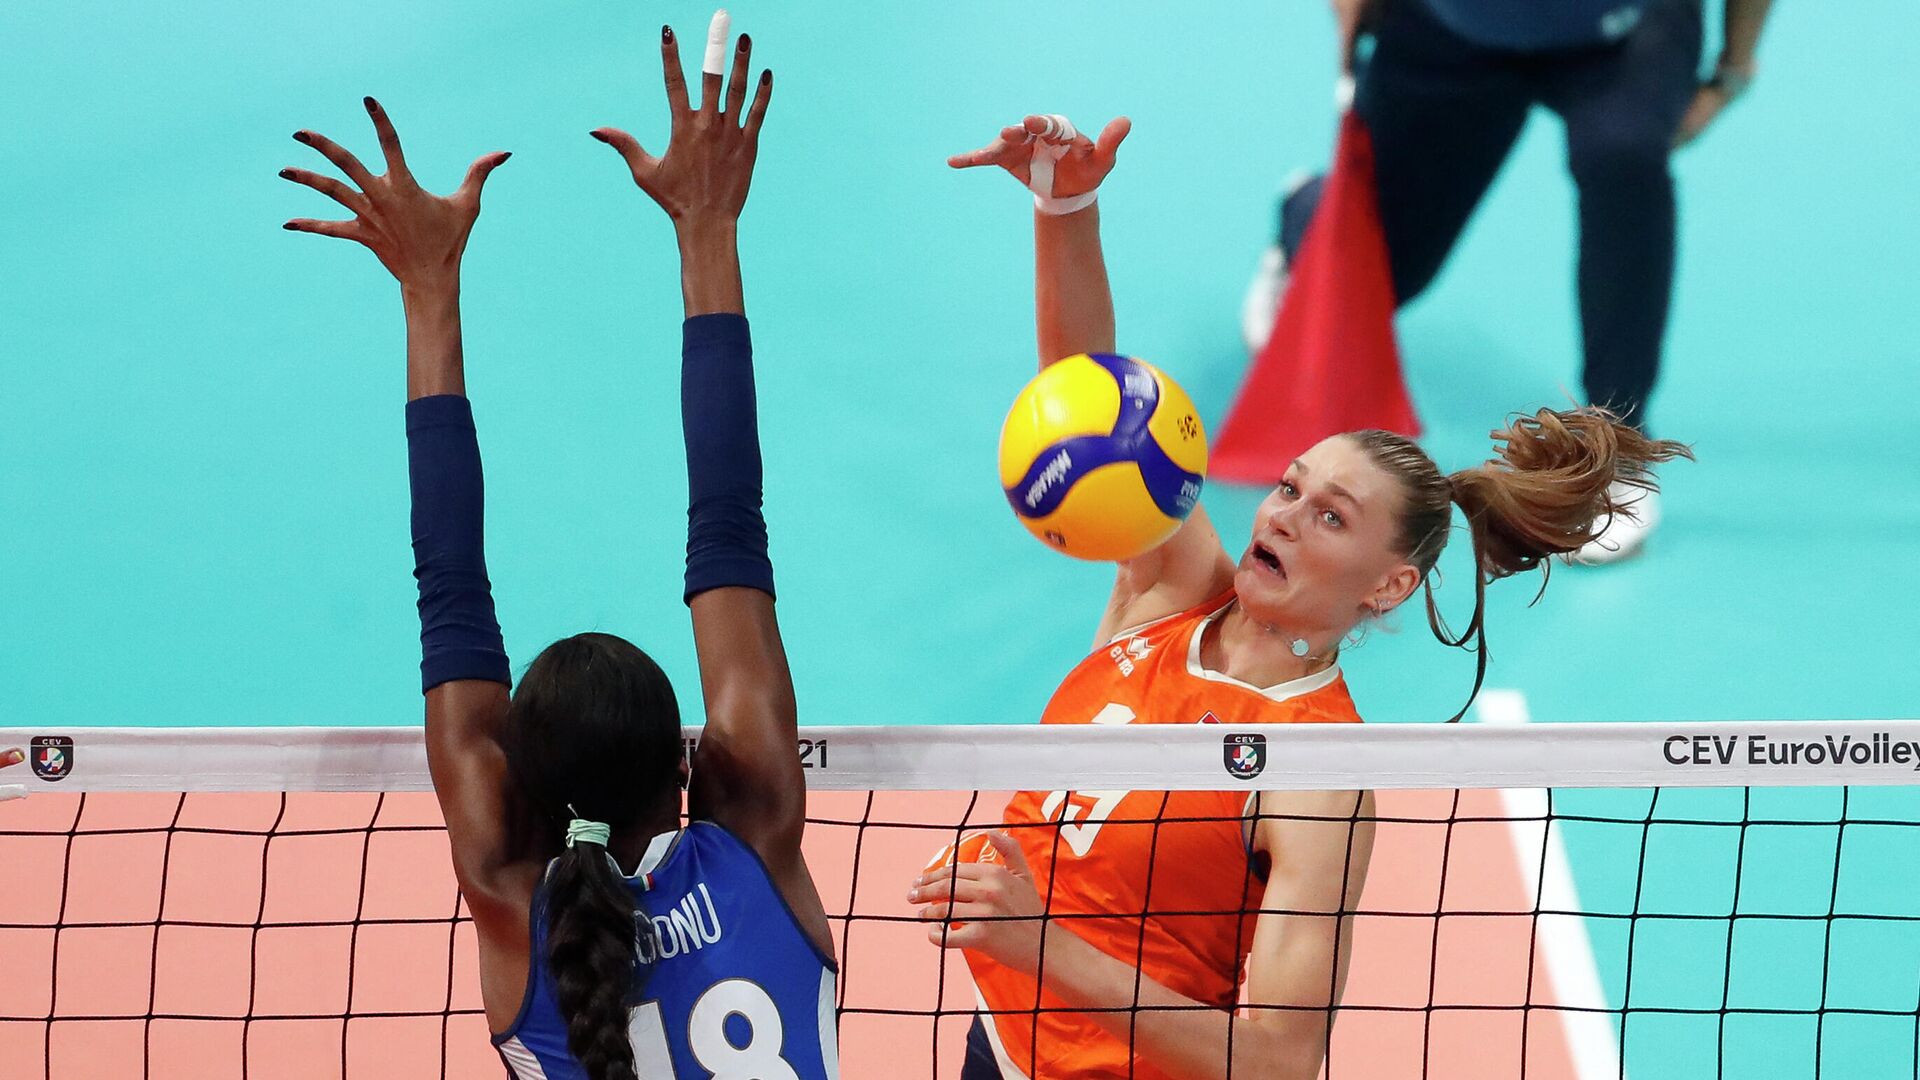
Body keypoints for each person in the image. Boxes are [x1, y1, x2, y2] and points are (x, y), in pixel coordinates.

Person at [912, 114, 1690, 1080]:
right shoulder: (1172, 596)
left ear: (1390, 585)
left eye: (1330, 517)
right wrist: (1064, 204)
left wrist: (1043, 948)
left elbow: (1280, 1056)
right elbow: (1091, 403)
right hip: (1000, 1053)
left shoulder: (1317, 776)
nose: (1278, 516)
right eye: (1288, 487)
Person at [281, 19, 838, 1080]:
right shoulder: (754, 842)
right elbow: (728, 522)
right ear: (691, 761)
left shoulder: (513, 898)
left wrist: (427, 288)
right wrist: (707, 228)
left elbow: (451, 592)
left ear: (514, 779)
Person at [1241, 0, 1771, 563]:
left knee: (1623, 154)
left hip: (1624, 37)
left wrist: (1734, 69)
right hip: (1452, 28)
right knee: (1392, 273)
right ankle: (1301, 216)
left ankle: (1617, 448)